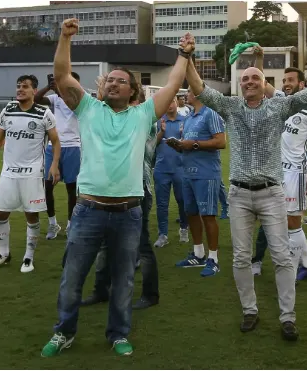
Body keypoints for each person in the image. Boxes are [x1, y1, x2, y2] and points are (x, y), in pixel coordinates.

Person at [40, 18, 194, 357]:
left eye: (120, 81)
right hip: (88, 211)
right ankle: (63, 332)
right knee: (71, 278)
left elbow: (173, 82)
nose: (112, 83)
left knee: (123, 280)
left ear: (132, 91)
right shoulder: (88, 108)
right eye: (109, 79)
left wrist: (183, 54)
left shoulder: (143, 115)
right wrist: (65, 38)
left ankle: (118, 334)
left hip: (129, 213)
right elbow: (62, 75)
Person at [185, 48, 307, 341]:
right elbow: (199, 88)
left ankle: (288, 317)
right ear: (240, 84)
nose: (249, 81)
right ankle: (249, 310)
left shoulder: (278, 106)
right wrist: (187, 57)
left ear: (264, 84)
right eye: (245, 78)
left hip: (272, 193)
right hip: (239, 195)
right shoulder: (231, 106)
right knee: (240, 258)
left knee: (283, 257)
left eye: (255, 78)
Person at [81, 82, 160, 310]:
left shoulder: (144, 119)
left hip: (138, 189)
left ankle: (150, 293)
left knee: (141, 245)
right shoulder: (115, 117)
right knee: (105, 244)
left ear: (135, 100)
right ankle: (100, 289)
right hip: (111, 190)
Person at [250, 65, 307, 281]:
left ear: (302, 84)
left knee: (293, 223)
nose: (286, 84)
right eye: (284, 80)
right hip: (278, 172)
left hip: (297, 173)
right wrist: (259, 59)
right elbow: (262, 84)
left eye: (291, 80)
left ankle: (291, 271)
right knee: (283, 221)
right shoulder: (284, 100)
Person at [0, 74, 61, 273]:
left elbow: (56, 141)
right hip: (8, 172)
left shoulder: (44, 113)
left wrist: (54, 165)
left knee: (31, 215)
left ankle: (28, 257)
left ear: (34, 91)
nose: (20, 89)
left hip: (32, 173)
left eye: (25, 87)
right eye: (18, 86)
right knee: (0, 212)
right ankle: (4, 253)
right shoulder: (8, 110)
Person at [171, 86, 226, 277]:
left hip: (206, 173)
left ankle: (213, 259)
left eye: (189, 92)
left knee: (208, 215)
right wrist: (178, 145)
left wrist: (194, 144)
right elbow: (188, 144)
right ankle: (198, 253)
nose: (186, 95)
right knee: (191, 213)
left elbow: (221, 142)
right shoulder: (188, 118)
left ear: (198, 94)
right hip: (188, 173)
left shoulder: (211, 113)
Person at [34, 72, 82, 239]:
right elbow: (36, 99)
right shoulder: (55, 98)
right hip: (52, 146)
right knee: (46, 186)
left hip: (73, 147)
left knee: (71, 188)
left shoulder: (80, 100)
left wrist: (60, 90)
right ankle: (53, 223)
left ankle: (70, 224)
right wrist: (49, 87)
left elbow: (72, 102)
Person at [153, 98, 189, 248]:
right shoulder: (159, 121)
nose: (169, 105)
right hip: (162, 169)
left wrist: (183, 135)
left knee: (182, 201)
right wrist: (161, 132)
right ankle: (163, 234)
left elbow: (190, 142)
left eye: (172, 102)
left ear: (176, 103)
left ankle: (184, 228)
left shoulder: (185, 120)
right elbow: (153, 143)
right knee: (162, 204)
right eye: (166, 103)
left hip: (180, 168)